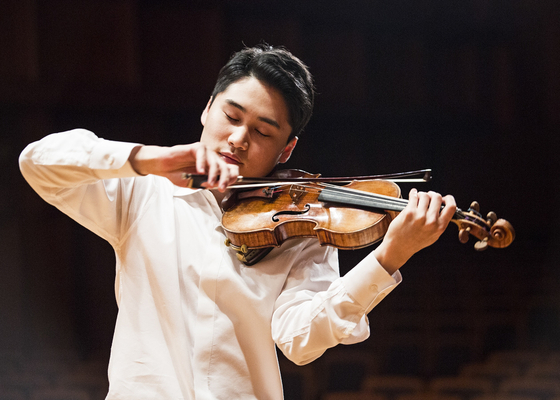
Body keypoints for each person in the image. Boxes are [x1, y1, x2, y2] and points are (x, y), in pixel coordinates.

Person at [19, 44, 456, 399]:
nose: (238, 139)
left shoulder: (301, 229)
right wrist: (150, 160)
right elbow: (38, 164)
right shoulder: (145, 191)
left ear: (286, 151)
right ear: (207, 109)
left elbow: (300, 340)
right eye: (231, 116)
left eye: (263, 132)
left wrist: (390, 255)